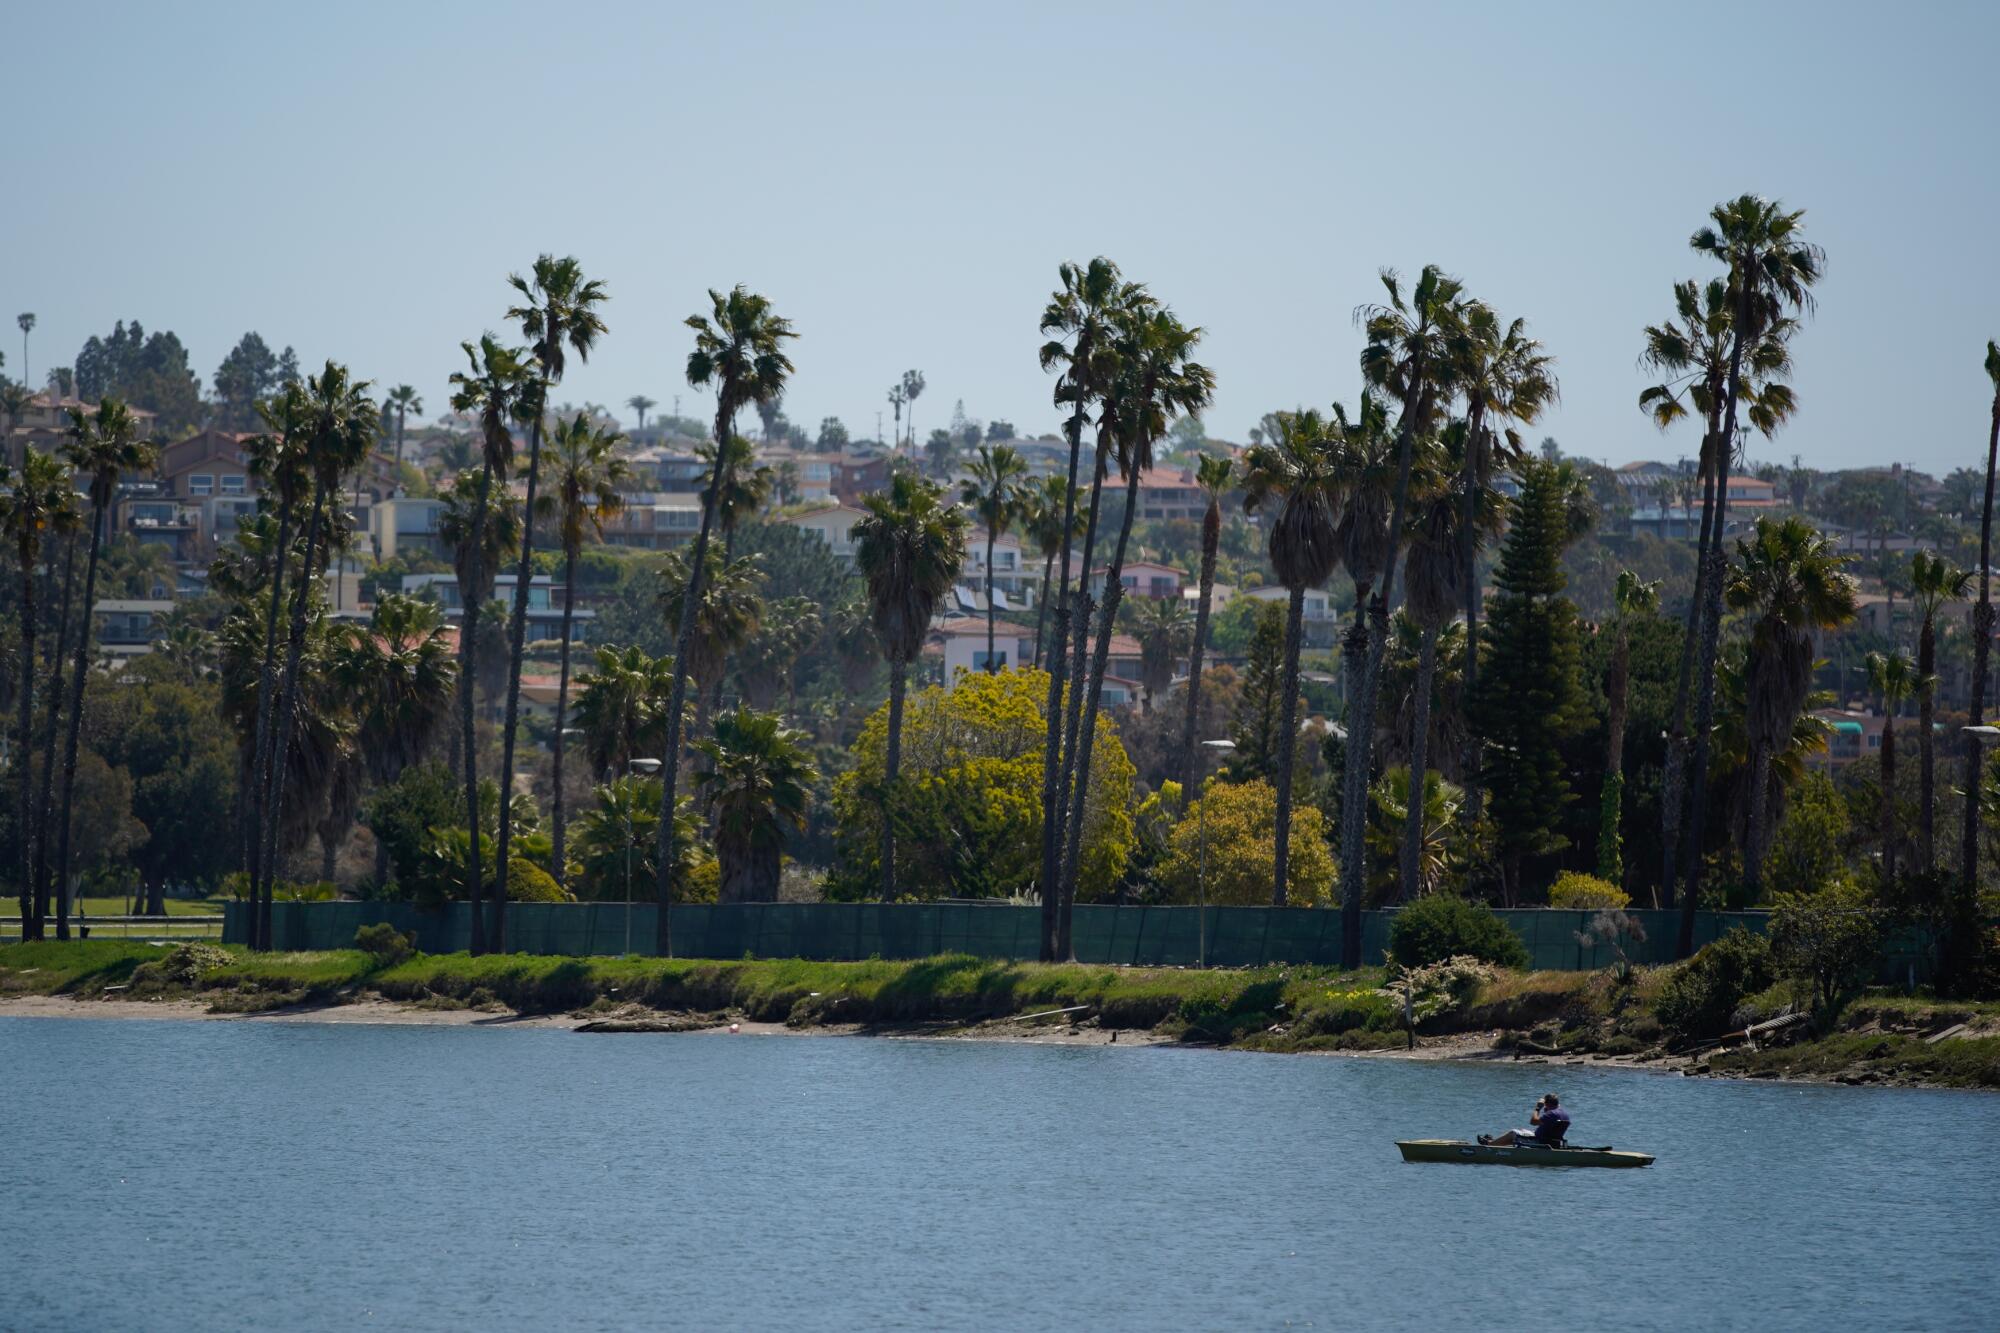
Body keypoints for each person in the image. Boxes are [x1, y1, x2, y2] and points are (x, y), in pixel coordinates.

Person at [1478, 1093, 1569, 1147]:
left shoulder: (1551, 1113)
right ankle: (1495, 1144)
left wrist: (1538, 1108)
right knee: (1522, 1131)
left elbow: (1533, 1121)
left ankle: (1489, 1145)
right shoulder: (1564, 1113)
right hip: (1553, 1141)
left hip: (1540, 1141)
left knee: (1513, 1132)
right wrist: (1546, 1110)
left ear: (1547, 1103)